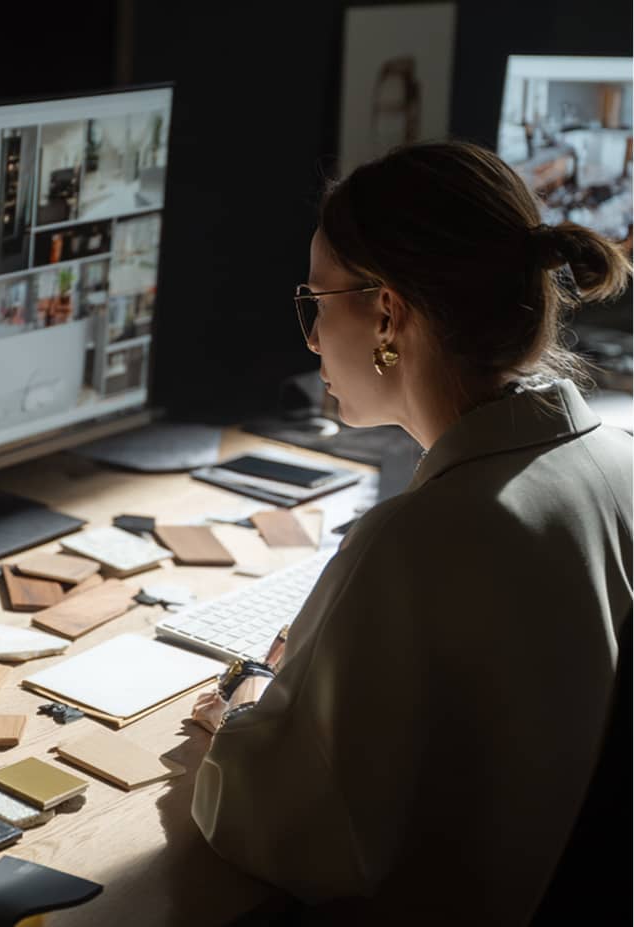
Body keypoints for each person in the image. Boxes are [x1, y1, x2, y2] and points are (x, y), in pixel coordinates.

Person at [190, 140, 632, 926]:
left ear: (387, 312)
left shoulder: (418, 541)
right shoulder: (618, 463)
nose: (311, 340)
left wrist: (247, 691)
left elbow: (266, 823)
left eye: (316, 304)